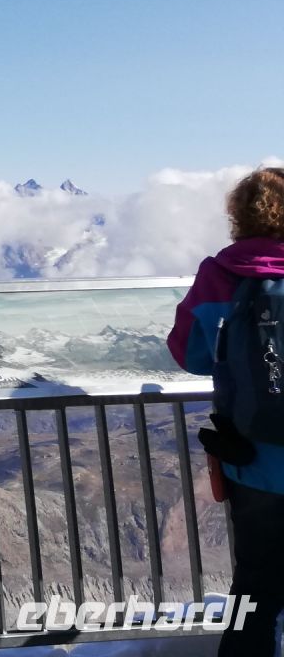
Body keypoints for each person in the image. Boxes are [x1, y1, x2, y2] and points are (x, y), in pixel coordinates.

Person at [167, 166, 284, 656]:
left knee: (256, 583)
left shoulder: (220, 273)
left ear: (238, 214)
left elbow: (190, 353)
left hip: (254, 459)